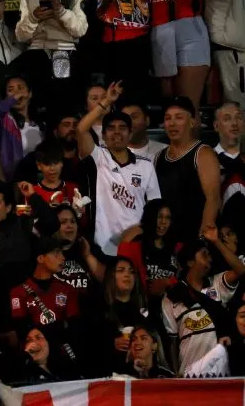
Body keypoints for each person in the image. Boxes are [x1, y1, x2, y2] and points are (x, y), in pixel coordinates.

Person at [77, 81, 162, 256]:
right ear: (103, 135)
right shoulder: (98, 157)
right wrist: (106, 101)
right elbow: (81, 129)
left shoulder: (146, 165)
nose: (117, 132)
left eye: (123, 128)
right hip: (102, 246)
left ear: (130, 134)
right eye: (111, 128)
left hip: (136, 246)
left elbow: (154, 209)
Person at [162, 228, 245, 376]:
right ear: (190, 261)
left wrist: (216, 241)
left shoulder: (217, 283)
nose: (210, 258)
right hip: (189, 373)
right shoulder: (171, 297)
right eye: (204, 254)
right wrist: (176, 376)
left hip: (219, 372)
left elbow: (240, 270)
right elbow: (172, 343)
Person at [14, 0, 89, 111]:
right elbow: (21, 36)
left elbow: (80, 30)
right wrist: (34, 17)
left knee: (64, 100)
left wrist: (60, 11)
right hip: (36, 51)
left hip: (66, 49)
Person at [155, 97, 222, 243]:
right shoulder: (159, 156)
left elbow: (213, 199)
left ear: (192, 122)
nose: (172, 123)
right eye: (168, 118)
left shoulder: (203, 153)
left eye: (179, 117)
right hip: (166, 239)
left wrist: (201, 239)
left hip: (192, 238)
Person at [0, 74, 43, 179]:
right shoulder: (5, 122)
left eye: (21, 88)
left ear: (30, 93)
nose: (17, 93)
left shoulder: (41, 124)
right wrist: (11, 100)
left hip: (40, 179)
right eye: (11, 90)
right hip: (14, 180)